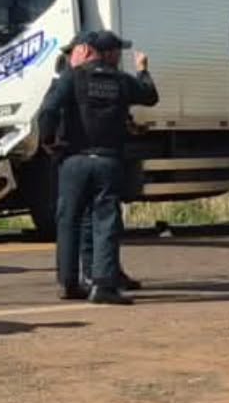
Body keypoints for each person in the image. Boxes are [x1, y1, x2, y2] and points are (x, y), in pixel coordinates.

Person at [37, 30, 158, 304]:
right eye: (117, 51)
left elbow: (48, 111)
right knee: (105, 221)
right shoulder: (121, 81)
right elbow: (150, 95)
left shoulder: (72, 77)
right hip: (107, 161)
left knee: (68, 221)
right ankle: (104, 285)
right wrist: (143, 70)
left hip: (74, 161)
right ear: (107, 53)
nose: (119, 56)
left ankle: (69, 283)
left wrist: (48, 142)